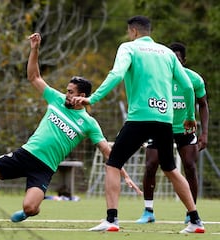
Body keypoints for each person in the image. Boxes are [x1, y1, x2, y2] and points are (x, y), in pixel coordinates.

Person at [0, 32, 142, 223]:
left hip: (44, 168)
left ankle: (27, 212)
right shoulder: (56, 99)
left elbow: (107, 151)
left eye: (70, 92)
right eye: (67, 91)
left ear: (82, 95)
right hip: (25, 154)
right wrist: (34, 49)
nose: (66, 94)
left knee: (30, 207)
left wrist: (124, 175)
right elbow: (33, 76)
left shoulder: (88, 123)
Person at [72, 16, 204, 234]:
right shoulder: (167, 53)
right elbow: (188, 87)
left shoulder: (129, 48)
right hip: (165, 120)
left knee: (113, 163)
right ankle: (195, 220)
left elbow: (116, 74)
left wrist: (92, 99)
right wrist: (190, 116)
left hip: (140, 117)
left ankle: (111, 219)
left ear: (132, 31)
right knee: (170, 168)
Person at [136, 42, 209, 224]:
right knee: (151, 164)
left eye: (178, 59)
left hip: (184, 129)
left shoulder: (194, 79)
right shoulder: (158, 78)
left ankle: (190, 213)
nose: (174, 62)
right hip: (161, 126)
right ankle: (148, 211)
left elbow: (203, 104)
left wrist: (205, 133)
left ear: (184, 60)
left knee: (190, 167)